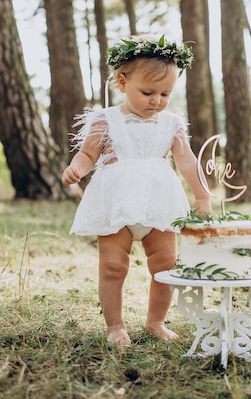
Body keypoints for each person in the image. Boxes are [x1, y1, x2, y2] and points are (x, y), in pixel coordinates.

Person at [62, 35, 211, 346]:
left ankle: (156, 321)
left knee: (165, 264)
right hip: (117, 202)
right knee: (113, 266)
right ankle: (115, 326)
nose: (156, 100)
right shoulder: (106, 120)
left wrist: (202, 195)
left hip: (160, 202)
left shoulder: (171, 124)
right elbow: (88, 154)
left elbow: (186, 161)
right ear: (122, 82)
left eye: (165, 93)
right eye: (147, 92)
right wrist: (78, 167)